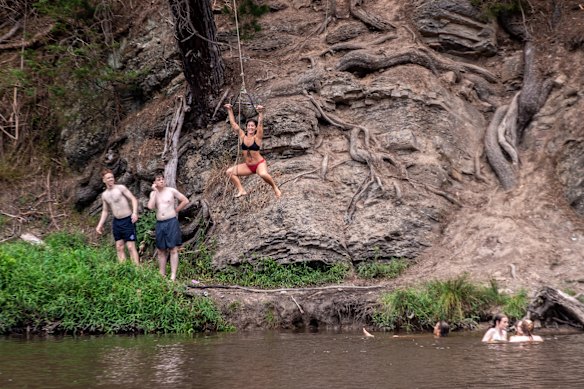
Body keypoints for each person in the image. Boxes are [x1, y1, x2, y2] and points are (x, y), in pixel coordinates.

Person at [224, 103, 282, 198]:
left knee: (263, 174)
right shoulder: (242, 136)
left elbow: (260, 125)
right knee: (229, 172)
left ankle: (275, 187)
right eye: (249, 126)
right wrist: (229, 110)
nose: (250, 127)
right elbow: (233, 124)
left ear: (255, 128)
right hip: (248, 166)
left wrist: (260, 113)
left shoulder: (257, 137)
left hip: (259, 164)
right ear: (246, 127)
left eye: (252, 126)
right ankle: (241, 190)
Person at [147, 173, 189, 281]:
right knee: (161, 250)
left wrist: (176, 210)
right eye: (158, 180)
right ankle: (162, 274)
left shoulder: (171, 190)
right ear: (154, 183)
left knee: (173, 249)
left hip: (171, 222)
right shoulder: (153, 194)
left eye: (162, 179)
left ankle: (173, 276)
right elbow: (150, 207)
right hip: (160, 223)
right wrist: (155, 191)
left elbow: (185, 200)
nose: (161, 181)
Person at [95, 169, 140, 265]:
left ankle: (137, 271)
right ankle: (123, 269)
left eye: (112, 177)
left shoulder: (120, 188)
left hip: (128, 220)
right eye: (108, 178)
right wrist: (99, 225)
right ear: (104, 180)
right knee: (119, 247)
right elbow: (105, 211)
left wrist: (135, 213)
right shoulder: (104, 195)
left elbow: (133, 199)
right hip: (117, 222)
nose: (111, 179)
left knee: (131, 247)